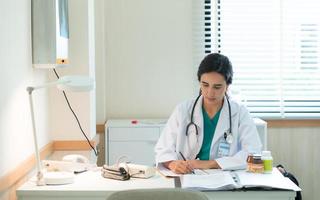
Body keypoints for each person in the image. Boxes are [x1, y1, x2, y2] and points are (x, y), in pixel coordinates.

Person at [155, 53, 262, 174]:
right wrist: (174, 164)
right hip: (187, 176)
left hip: (225, 177)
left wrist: (210, 164)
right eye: (205, 85)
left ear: (227, 86)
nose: (210, 93)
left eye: (217, 87)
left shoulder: (239, 113)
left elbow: (253, 153)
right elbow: (163, 149)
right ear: (199, 82)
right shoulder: (183, 110)